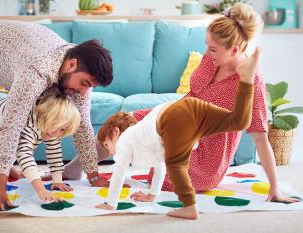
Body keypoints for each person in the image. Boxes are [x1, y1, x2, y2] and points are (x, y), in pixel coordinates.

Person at [125, 3, 298, 204]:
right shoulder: (211, 58)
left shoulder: (251, 82)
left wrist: (274, 187)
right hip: (178, 119)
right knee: (124, 121)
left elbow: (260, 138)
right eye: (207, 45)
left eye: (213, 49)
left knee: (165, 172)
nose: (206, 52)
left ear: (234, 50)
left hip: (207, 158)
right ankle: (90, 173)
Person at [95, 48, 260, 220]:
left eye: (107, 145)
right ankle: (246, 80)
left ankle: (189, 206)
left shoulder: (124, 141)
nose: (110, 152)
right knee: (238, 122)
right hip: (190, 108)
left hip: (175, 117)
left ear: (115, 132)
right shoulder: (146, 141)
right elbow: (159, 166)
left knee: (176, 164)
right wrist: (152, 195)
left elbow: (119, 174)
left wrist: (111, 203)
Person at [0, 20, 113, 211]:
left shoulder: (80, 73)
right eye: (84, 83)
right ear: (71, 64)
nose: (84, 92)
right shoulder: (35, 71)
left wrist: (93, 175)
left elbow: (82, 125)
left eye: (89, 86)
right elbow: (12, 122)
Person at [0, 86, 81, 210]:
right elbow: (24, 155)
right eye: (61, 129)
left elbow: (54, 152)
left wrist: (57, 180)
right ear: (49, 116)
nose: (59, 135)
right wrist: (41, 190)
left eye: (63, 132)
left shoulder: (49, 126)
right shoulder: (28, 124)